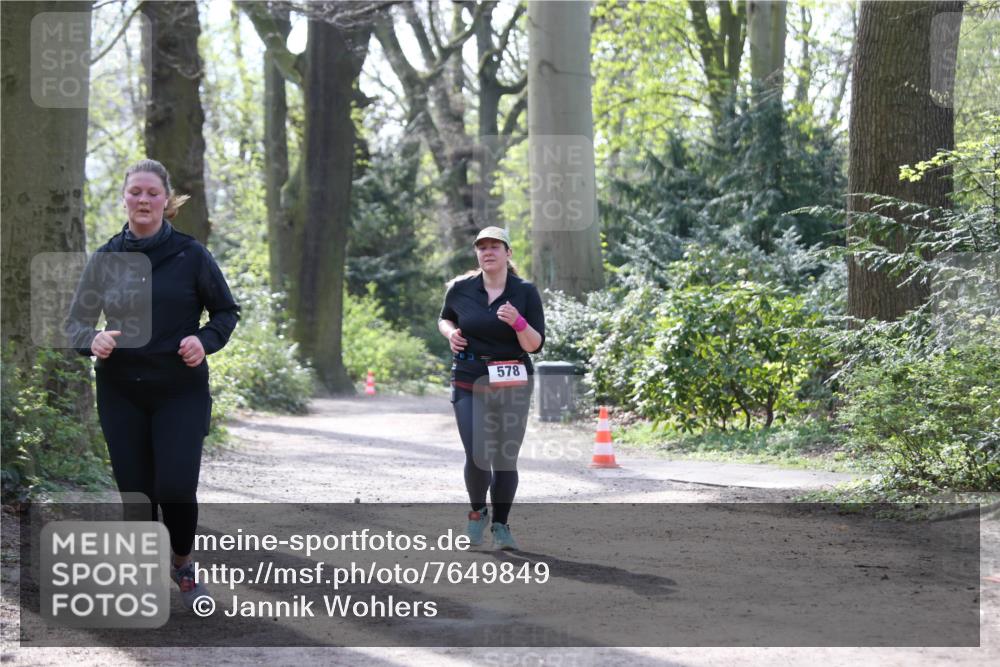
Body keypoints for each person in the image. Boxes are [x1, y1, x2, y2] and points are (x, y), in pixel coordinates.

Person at [65, 159, 240, 609]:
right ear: (124, 198)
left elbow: (225, 311)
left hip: (179, 388)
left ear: (167, 200)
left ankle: (182, 563)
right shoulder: (106, 258)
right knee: (137, 493)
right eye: (135, 192)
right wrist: (94, 340)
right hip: (121, 389)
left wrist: (204, 341)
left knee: (176, 488)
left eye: (152, 193)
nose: (143, 200)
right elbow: (76, 325)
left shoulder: (191, 255)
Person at [438, 226, 545, 550]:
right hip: (469, 378)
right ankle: (477, 513)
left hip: (511, 381)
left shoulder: (525, 291)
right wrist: (450, 333)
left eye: (495, 246)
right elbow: (444, 318)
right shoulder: (460, 288)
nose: (487, 251)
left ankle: (501, 526)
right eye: (481, 247)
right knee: (477, 452)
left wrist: (518, 323)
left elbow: (535, 345)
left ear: (508, 253)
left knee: (504, 457)